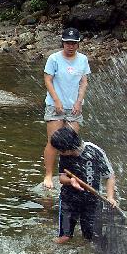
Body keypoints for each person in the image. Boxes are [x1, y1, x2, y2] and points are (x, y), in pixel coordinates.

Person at [42, 27, 90, 189]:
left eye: (73, 43)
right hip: (55, 106)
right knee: (53, 142)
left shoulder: (83, 59)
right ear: (63, 43)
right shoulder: (54, 59)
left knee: (71, 144)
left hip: (74, 108)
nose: (70, 46)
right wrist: (56, 100)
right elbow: (48, 79)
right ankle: (48, 175)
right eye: (67, 43)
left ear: (78, 44)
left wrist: (79, 102)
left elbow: (83, 82)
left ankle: (68, 176)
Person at [50, 127, 115, 244]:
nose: (59, 153)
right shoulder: (64, 156)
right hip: (68, 199)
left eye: (60, 150)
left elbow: (109, 176)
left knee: (91, 239)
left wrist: (110, 197)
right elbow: (61, 177)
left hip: (92, 200)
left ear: (68, 148)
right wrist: (70, 181)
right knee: (64, 237)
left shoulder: (94, 151)